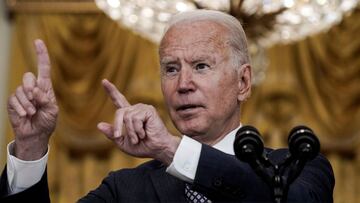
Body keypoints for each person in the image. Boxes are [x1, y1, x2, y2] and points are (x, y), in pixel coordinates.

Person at [0, 10, 334, 202]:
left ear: (243, 82)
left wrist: (171, 150)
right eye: (171, 69)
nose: (183, 83)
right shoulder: (125, 190)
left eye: (201, 66)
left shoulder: (300, 167)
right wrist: (30, 146)